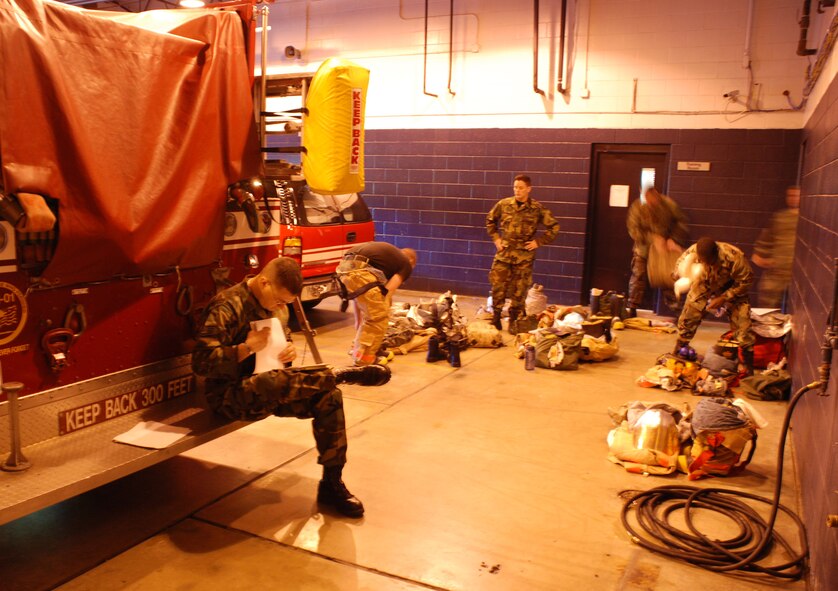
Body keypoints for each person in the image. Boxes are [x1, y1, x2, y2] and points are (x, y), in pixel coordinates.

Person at [192, 257, 390, 518]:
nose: (281, 307)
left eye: (285, 303)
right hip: (229, 396)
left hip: (271, 386)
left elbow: (281, 349)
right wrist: (246, 348)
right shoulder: (227, 306)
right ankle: (335, 374)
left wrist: (288, 352)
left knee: (328, 396)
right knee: (269, 381)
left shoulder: (277, 307)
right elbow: (201, 363)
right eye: (279, 301)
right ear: (264, 283)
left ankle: (331, 483)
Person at [485, 174, 559, 334]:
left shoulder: (537, 208)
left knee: (520, 290)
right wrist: (496, 239)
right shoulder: (504, 204)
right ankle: (496, 317)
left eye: (520, 188)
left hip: (524, 257)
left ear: (528, 189)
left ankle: (514, 320)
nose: (517, 190)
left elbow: (554, 227)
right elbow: (490, 220)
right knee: (498, 286)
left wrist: (538, 242)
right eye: (515, 187)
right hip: (504, 254)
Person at [673, 237, 756, 374]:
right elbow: (677, 269)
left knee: (743, 326)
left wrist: (724, 297)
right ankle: (679, 350)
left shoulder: (733, 257)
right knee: (689, 316)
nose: (706, 263)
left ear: (716, 254)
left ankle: (747, 366)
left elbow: (746, 281)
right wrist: (683, 276)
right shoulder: (692, 253)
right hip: (704, 284)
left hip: (731, 287)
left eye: (709, 261)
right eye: (702, 260)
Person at [336, 241, 417, 366]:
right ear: (412, 262)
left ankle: (371, 349)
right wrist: (383, 310)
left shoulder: (387, 259)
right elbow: (387, 293)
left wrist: (358, 320)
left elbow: (360, 295)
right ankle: (364, 359)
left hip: (343, 268)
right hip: (360, 272)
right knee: (378, 318)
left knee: (373, 313)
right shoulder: (406, 265)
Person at [626, 186, 689, 316]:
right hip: (643, 249)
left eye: (653, 200)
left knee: (668, 279)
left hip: (665, 250)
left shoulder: (668, 205)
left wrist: (673, 239)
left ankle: (678, 312)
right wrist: (652, 238)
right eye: (648, 201)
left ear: (657, 196)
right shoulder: (638, 207)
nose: (651, 203)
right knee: (638, 277)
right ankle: (632, 308)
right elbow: (633, 229)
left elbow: (681, 221)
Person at [751, 185, 800, 309]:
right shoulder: (780, 217)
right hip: (777, 270)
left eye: (796, 195)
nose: (792, 198)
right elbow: (766, 238)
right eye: (790, 195)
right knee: (766, 302)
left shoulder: (806, 219)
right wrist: (760, 255)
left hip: (796, 272)